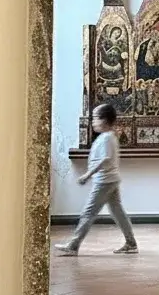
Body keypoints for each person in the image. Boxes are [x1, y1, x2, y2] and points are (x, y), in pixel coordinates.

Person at [55, 103, 138, 256]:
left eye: (95, 118)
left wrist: (87, 175)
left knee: (88, 212)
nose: (93, 121)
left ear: (104, 120)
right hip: (110, 179)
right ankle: (131, 243)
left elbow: (105, 159)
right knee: (118, 212)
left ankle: (73, 246)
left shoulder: (107, 138)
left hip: (105, 181)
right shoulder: (107, 137)